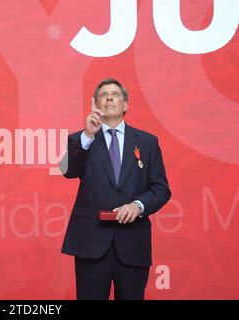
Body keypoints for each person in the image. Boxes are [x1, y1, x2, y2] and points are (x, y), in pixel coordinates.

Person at [60, 78, 171, 300]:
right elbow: (68, 170)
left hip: (132, 244)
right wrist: (88, 135)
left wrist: (138, 205)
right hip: (91, 243)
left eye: (115, 94)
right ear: (95, 103)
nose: (110, 97)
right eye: (104, 95)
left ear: (126, 105)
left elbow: (161, 188)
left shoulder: (147, 143)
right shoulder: (80, 140)